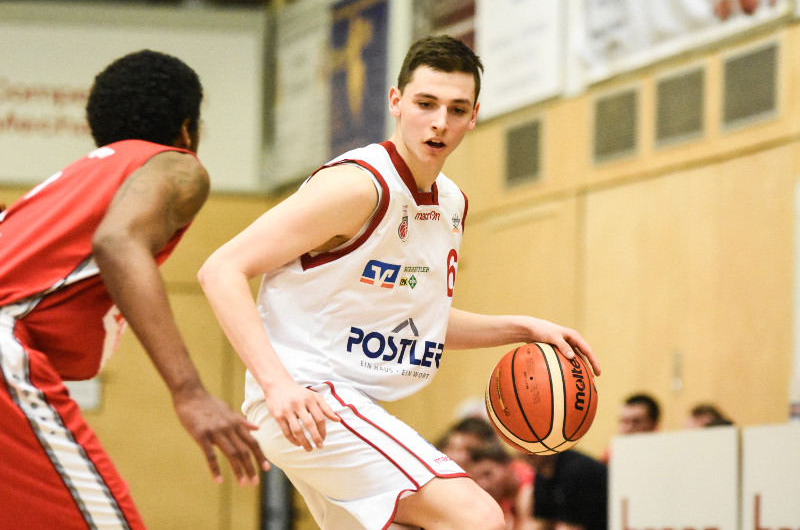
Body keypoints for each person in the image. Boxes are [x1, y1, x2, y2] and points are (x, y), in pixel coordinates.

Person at [199, 35, 600, 530]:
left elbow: (420, 322)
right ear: (396, 102)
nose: (439, 122)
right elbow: (220, 269)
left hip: (345, 406)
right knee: (479, 518)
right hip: (310, 399)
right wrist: (277, 384)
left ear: (474, 116)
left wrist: (525, 328)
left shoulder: (449, 203)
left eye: (456, 109)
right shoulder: (357, 186)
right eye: (425, 104)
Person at [0, 50, 268, 530]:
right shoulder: (176, 165)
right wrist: (189, 392)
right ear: (187, 129)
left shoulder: (65, 185)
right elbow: (117, 240)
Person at [527, 450, 608, 530]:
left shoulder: (576, 470)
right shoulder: (542, 475)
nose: (525, 453)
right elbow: (543, 520)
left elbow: (574, 526)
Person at [466, 443, 536, 530]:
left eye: (487, 474)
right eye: (477, 479)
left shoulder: (534, 486)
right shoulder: (499, 501)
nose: (483, 484)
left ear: (508, 466)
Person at [601, 393, 660, 464]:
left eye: (636, 422)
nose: (628, 428)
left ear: (653, 425)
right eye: (624, 421)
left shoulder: (663, 455)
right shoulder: (610, 454)